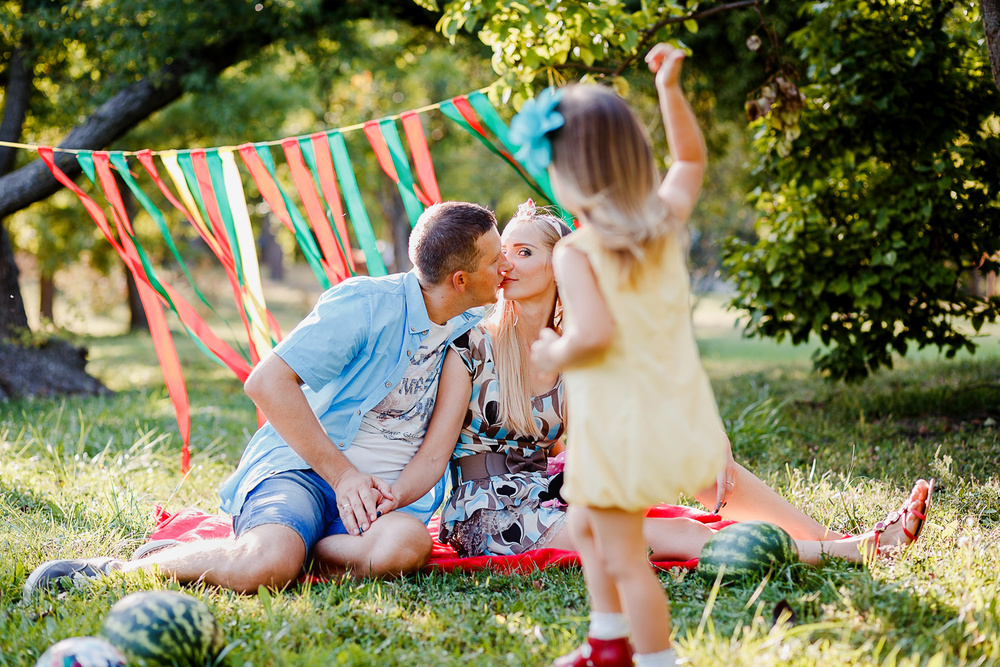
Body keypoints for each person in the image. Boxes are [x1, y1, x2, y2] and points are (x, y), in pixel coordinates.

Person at [22, 201, 513, 596]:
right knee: (267, 565)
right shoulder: (366, 305)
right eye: (497, 259)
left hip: (380, 499)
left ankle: (308, 546)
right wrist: (343, 477)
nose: (506, 266)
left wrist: (386, 495)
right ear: (460, 280)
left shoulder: (469, 330)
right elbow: (266, 382)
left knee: (404, 548)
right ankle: (116, 573)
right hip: (304, 472)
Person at [436, 202, 932, 576]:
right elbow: (434, 455)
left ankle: (825, 535)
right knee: (677, 532)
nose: (507, 264)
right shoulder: (474, 345)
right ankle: (852, 550)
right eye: (504, 254)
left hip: (550, 490)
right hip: (488, 516)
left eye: (524, 252)